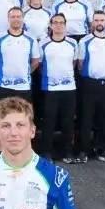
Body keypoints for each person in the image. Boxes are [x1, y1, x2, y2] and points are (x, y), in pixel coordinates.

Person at [77, 11, 105, 162]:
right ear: (92, 23)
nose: (99, 23)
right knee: (86, 118)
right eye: (96, 20)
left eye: (102, 20)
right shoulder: (85, 41)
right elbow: (80, 64)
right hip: (89, 84)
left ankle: (104, 149)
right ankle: (84, 150)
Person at [38, 13, 78, 163]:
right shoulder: (43, 43)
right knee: (49, 121)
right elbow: (39, 65)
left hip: (69, 88)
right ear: (51, 25)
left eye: (61, 23)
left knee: (67, 121)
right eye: (55, 22)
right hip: (50, 89)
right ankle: (46, 152)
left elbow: (75, 63)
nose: (58, 25)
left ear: (65, 25)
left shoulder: (73, 43)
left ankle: (67, 152)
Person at [0, 6, 40, 102]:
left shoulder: (31, 38)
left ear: (23, 19)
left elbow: (36, 61)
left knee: (23, 111)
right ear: (8, 19)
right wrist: (1, 74)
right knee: (3, 111)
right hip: (3, 85)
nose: (16, 19)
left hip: (24, 86)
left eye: (18, 17)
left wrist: (25, 73)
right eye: (13, 17)